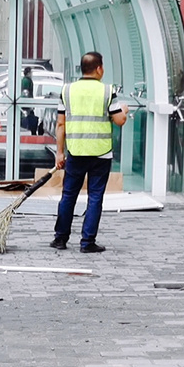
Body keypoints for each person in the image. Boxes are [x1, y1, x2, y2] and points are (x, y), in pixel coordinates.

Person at [52, 50, 128, 254]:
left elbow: (60, 124)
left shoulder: (67, 90)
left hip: (76, 151)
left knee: (68, 195)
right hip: (100, 153)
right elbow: (119, 120)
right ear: (99, 69)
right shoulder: (107, 91)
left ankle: (60, 239)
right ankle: (87, 242)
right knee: (95, 197)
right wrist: (124, 110)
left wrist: (60, 153)